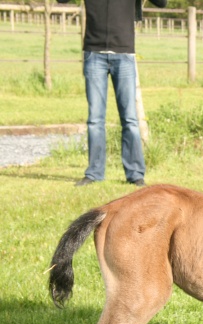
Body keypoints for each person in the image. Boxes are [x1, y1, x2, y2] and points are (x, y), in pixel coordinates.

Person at [58, 0, 168, 186]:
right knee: (95, 119)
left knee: (130, 119)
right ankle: (94, 173)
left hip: (124, 54)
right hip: (94, 54)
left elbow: (162, 3)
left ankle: (135, 174)